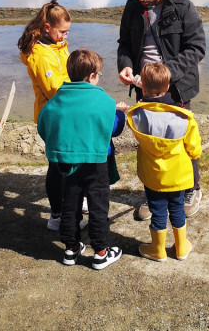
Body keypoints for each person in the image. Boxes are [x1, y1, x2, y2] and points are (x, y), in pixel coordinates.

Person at [117, 0, 206, 218]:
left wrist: (166, 73)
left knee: (181, 140)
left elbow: (196, 48)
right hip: (143, 87)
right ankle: (155, 191)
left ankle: (191, 188)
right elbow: (124, 43)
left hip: (176, 87)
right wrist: (125, 66)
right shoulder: (133, 7)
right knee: (150, 141)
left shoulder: (182, 7)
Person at [37, 48, 128, 270]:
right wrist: (120, 113)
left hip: (67, 163)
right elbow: (114, 130)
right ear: (91, 76)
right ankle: (101, 252)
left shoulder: (58, 99)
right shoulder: (103, 100)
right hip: (97, 162)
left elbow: (43, 126)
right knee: (98, 206)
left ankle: (70, 248)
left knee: (71, 205)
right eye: (99, 74)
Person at [19, 0, 86, 231]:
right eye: (62, 32)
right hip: (55, 116)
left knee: (68, 160)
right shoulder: (41, 55)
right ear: (47, 27)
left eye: (68, 32)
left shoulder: (57, 45)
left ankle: (71, 202)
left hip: (66, 112)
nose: (65, 36)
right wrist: (84, 89)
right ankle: (57, 215)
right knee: (58, 165)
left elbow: (67, 73)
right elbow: (55, 90)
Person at [127, 63, 202, 261]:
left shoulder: (136, 115)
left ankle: (158, 249)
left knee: (158, 209)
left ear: (142, 88)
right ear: (168, 87)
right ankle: (181, 247)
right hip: (177, 176)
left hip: (152, 175)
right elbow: (194, 150)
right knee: (177, 208)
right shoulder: (184, 118)